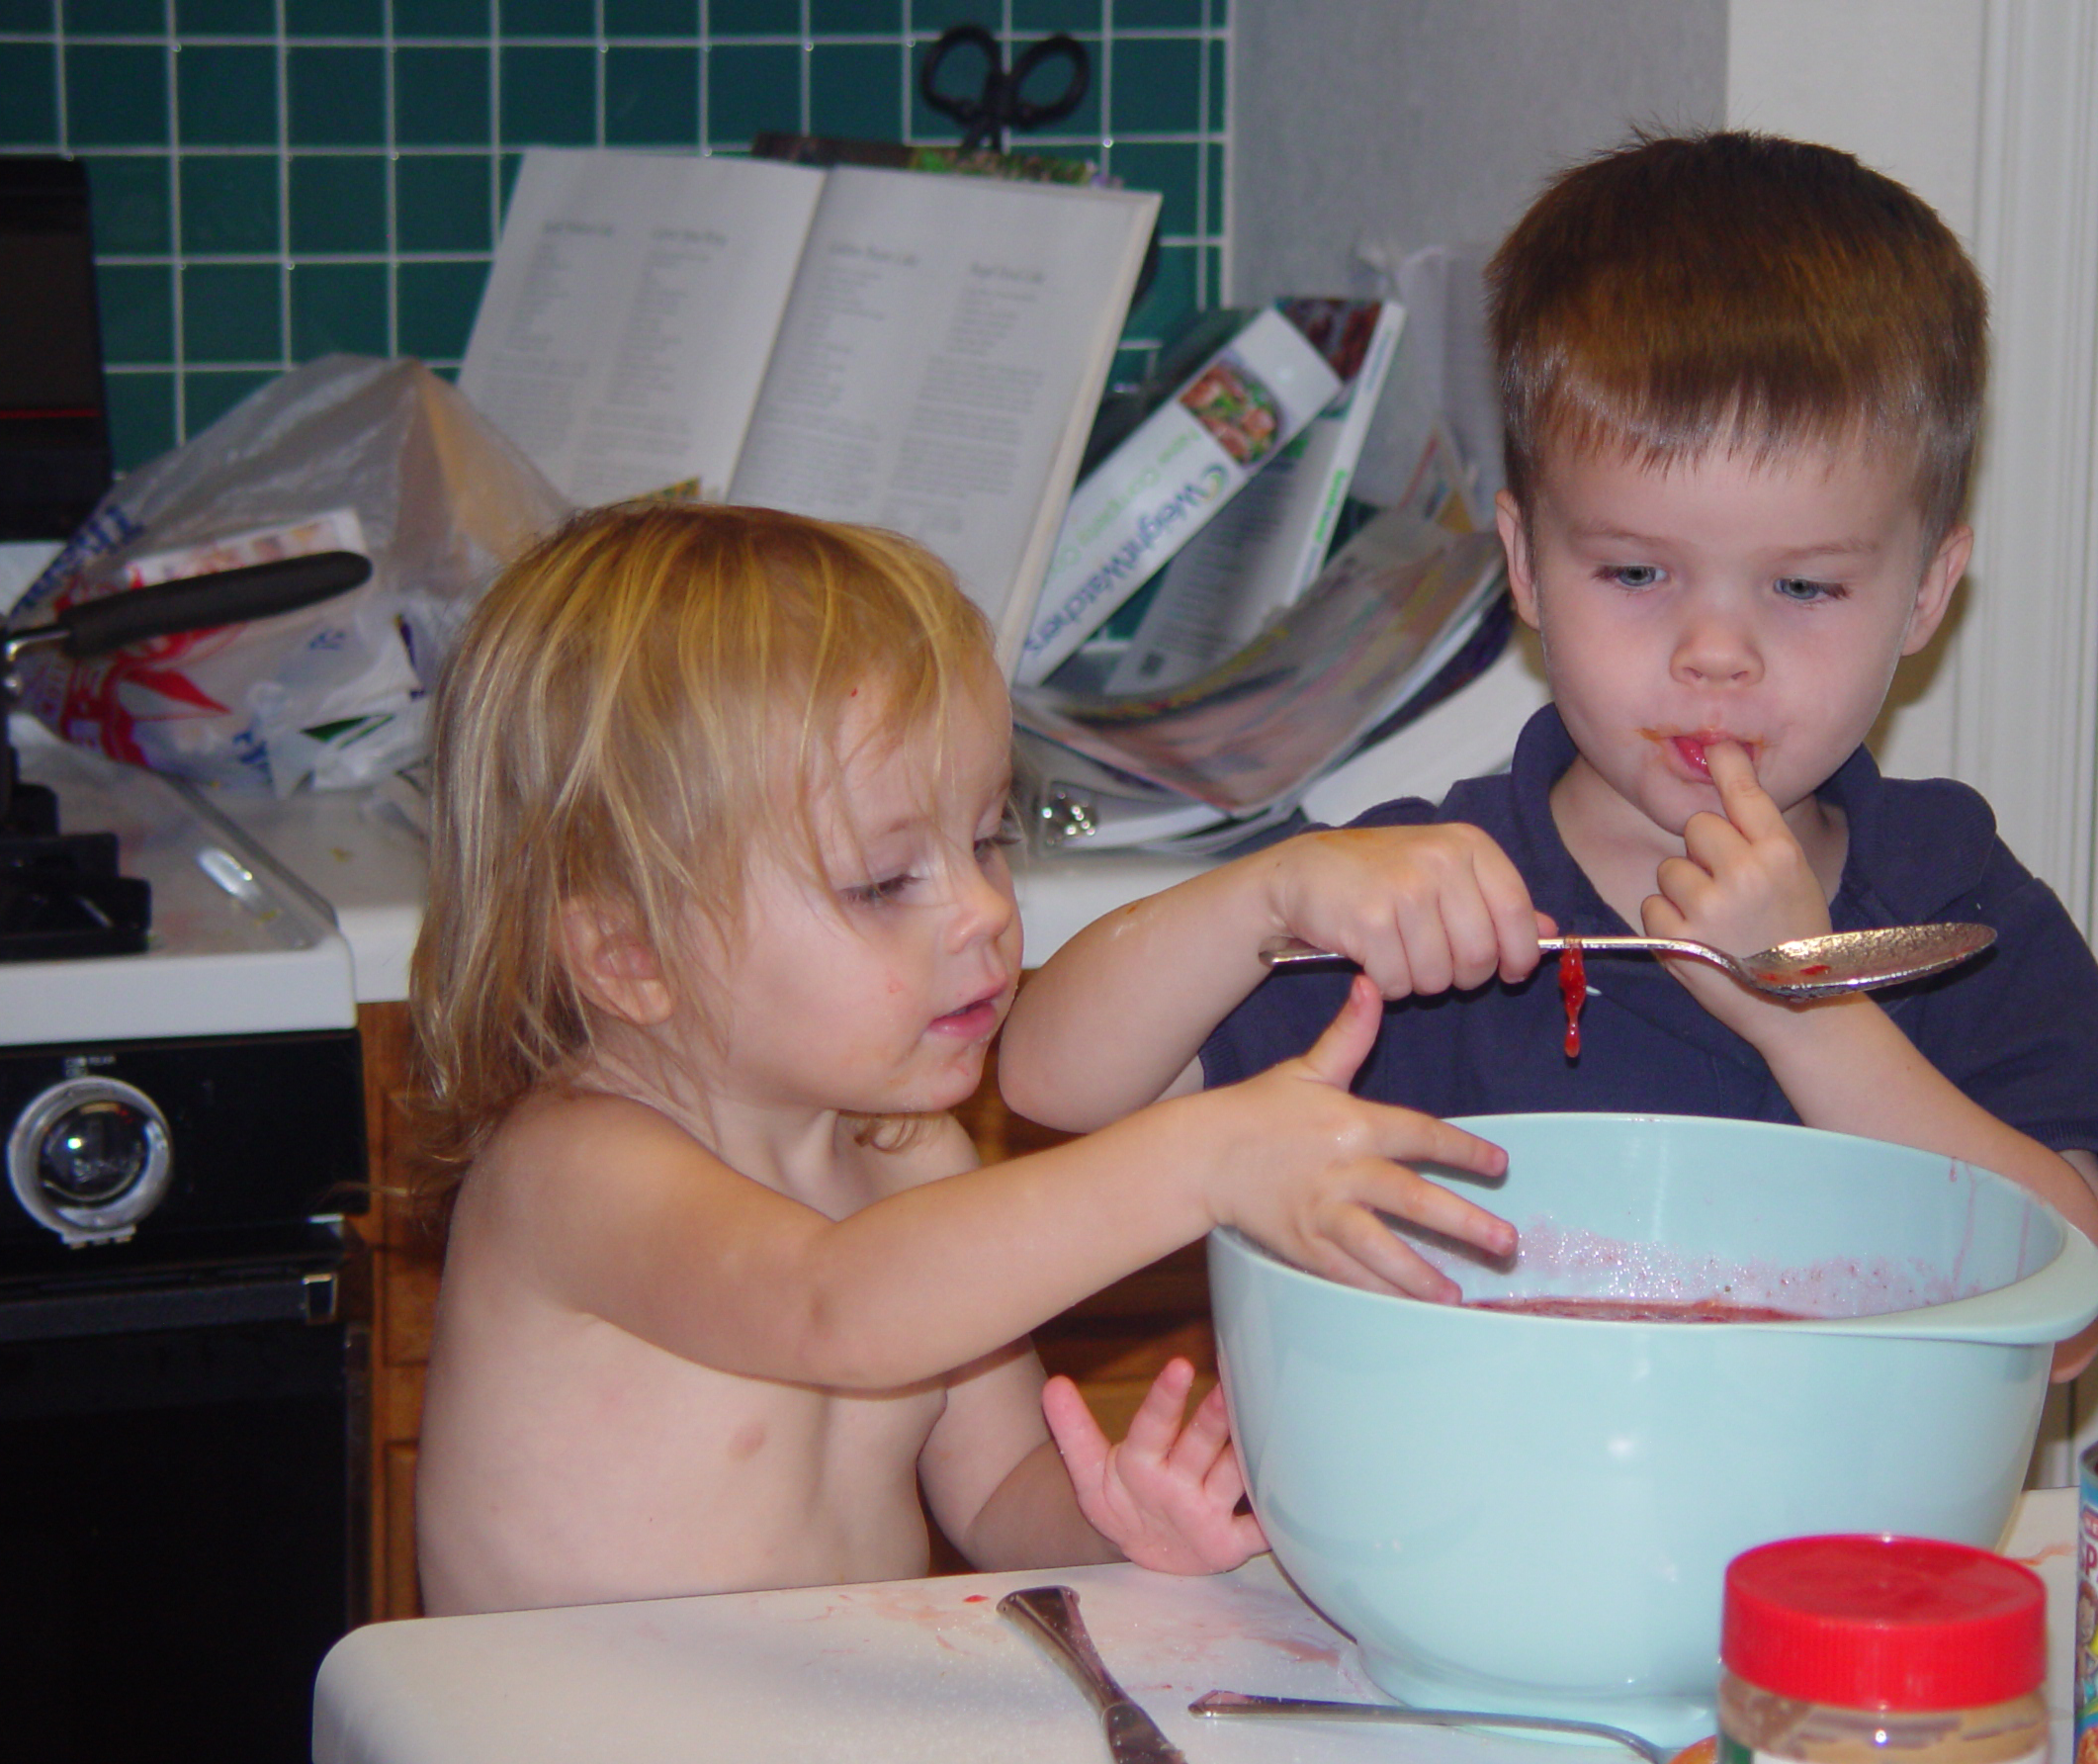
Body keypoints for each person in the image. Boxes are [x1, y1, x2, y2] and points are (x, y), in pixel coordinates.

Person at [1001, 131, 2098, 1380]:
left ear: (1927, 592)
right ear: (1524, 564)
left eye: (1806, 587)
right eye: (1635, 572)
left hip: (1847, 1563)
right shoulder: (1424, 898)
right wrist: (1268, 894)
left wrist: (1811, 1019)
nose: (1715, 652)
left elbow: (2067, 1315)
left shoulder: (1953, 906)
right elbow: (1054, 1081)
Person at [405, 500, 1517, 1615]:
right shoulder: (572, 1173)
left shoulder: (907, 1157)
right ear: (628, 952)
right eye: (884, 881)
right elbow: (831, 1306)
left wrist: (1115, 1517)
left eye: (985, 839)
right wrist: (1199, 1157)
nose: (983, 910)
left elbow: (996, 1495)